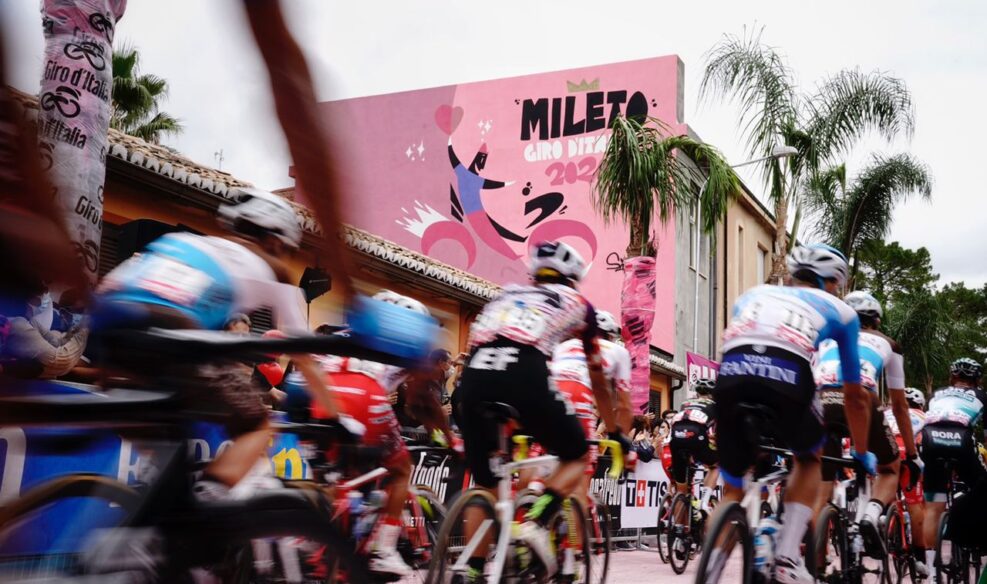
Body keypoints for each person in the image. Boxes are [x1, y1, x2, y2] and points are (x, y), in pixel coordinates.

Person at [94, 188, 340, 501]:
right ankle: (212, 495)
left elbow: (108, 289)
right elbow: (304, 358)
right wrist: (337, 417)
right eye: (288, 250)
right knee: (258, 426)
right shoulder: (275, 272)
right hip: (173, 338)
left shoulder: (181, 241)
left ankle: (149, 512)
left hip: (110, 329)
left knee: (167, 451)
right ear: (276, 241)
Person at [456, 241, 629, 580]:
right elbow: (596, 373)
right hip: (524, 373)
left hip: (473, 379)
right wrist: (615, 430)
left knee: (486, 484)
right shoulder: (579, 303)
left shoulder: (504, 295)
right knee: (577, 455)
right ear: (573, 277)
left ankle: (472, 571)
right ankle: (534, 522)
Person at [712, 243, 870, 584]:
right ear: (833, 282)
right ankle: (785, 557)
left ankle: (710, 568)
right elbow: (856, 397)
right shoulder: (842, 311)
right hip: (787, 375)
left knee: (732, 494)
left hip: (730, 374)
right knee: (810, 458)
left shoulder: (753, 293)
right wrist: (859, 451)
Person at [303, 289, 449, 578]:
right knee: (401, 469)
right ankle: (384, 550)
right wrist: (448, 436)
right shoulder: (405, 342)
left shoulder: (345, 330)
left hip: (318, 395)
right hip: (364, 396)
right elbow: (423, 402)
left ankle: (313, 538)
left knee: (338, 477)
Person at [813, 290, 920, 554]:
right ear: (877, 321)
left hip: (820, 400)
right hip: (860, 399)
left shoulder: (825, 338)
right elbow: (899, 405)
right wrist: (913, 454)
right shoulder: (889, 344)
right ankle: (871, 515)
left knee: (823, 481)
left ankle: (815, 561)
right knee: (889, 467)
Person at [548, 309, 633, 501]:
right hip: (578, 395)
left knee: (538, 463)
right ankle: (540, 520)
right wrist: (620, 443)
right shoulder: (618, 351)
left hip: (545, 395)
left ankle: (527, 504)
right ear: (611, 336)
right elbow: (625, 406)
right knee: (581, 469)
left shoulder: (564, 345)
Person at [920, 358, 987, 572]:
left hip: (930, 440)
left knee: (933, 506)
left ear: (952, 377)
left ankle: (931, 573)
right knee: (981, 489)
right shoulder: (982, 396)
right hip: (961, 441)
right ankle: (966, 527)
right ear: (977, 380)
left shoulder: (936, 394)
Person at [885, 387, 928, 574]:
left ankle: (884, 519)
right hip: (907, 454)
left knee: (883, 490)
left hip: (884, 452)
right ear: (920, 404)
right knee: (915, 504)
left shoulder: (886, 412)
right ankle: (920, 557)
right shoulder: (924, 416)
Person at [668, 379, 719, 532]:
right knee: (715, 465)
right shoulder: (716, 406)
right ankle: (704, 501)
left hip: (676, 440)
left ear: (697, 393)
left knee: (681, 490)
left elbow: (684, 424)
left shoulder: (685, 403)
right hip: (697, 438)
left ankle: (678, 531)